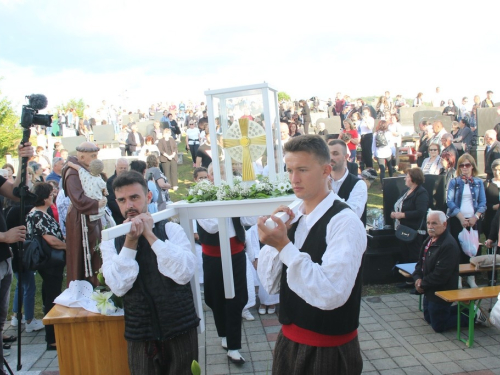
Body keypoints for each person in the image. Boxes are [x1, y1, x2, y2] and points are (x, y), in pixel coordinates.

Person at [257, 135, 366, 375]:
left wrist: (284, 246)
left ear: (327, 170)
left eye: (303, 170)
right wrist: (278, 240)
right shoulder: (294, 215)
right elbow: (271, 284)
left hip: (328, 351)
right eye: (290, 170)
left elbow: (331, 292)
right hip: (289, 341)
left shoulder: (344, 222)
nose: (294, 179)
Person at [100, 171, 199, 374]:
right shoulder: (111, 240)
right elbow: (118, 286)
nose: (129, 206)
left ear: (148, 197)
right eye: (122, 200)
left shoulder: (170, 229)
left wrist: (150, 236)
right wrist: (130, 241)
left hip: (179, 325)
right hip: (140, 330)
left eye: (134, 197)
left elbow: (184, 272)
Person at [196, 182, 257, 364]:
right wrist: (228, 204)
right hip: (213, 257)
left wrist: (241, 201)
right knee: (215, 298)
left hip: (236, 255)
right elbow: (212, 225)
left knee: (236, 299)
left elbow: (250, 221)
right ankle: (224, 334)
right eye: (213, 175)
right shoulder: (201, 199)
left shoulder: (233, 198)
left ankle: (234, 347)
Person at [412, 210, 489, 332]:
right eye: (428, 223)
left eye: (434, 223)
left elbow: (440, 275)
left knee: (438, 326)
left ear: (444, 224)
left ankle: (473, 316)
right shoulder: (429, 240)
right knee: (429, 318)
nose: (430, 227)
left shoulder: (449, 245)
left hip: (442, 290)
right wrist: (417, 279)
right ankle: (467, 310)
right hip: (429, 289)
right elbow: (419, 264)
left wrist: (422, 284)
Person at [26, 182, 66, 350]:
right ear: (43, 197)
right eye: (50, 194)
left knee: (49, 295)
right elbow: (50, 239)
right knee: (52, 297)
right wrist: (68, 246)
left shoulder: (41, 213)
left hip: (49, 261)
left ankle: (53, 335)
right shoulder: (38, 215)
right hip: (49, 261)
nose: (53, 196)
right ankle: (52, 338)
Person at [62, 142, 107, 286]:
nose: (95, 159)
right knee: (82, 254)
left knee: (95, 251)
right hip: (80, 219)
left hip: (92, 218)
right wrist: (95, 204)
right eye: (92, 156)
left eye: (96, 156)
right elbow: (78, 199)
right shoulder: (73, 173)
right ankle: (83, 284)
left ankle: (96, 282)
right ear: (81, 156)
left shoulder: (87, 170)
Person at [447, 154, 486, 289]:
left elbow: (482, 202)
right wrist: (461, 217)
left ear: (472, 166)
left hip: (474, 219)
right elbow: (450, 201)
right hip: (459, 219)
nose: (464, 168)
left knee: (473, 249)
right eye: (462, 165)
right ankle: (458, 278)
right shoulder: (454, 182)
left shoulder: (478, 182)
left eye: (467, 165)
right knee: (458, 248)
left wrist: (476, 217)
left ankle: (471, 277)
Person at [390, 168, 429, 273]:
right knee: (405, 254)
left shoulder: (421, 193)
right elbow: (397, 204)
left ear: (413, 179)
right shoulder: (405, 191)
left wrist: (402, 215)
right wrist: (393, 212)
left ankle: (414, 279)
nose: (405, 179)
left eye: (407, 177)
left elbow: (421, 212)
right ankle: (406, 277)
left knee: (413, 255)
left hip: (413, 229)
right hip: (401, 228)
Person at [328, 139, 367, 224]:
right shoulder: (321, 181)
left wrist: (331, 194)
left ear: (346, 157)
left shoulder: (358, 184)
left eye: (335, 154)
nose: (331, 158)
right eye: (328, 154)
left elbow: (352, 215)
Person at [106, 158, 129, 225]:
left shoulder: (131, 179)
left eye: (125, 168)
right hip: (118, 217)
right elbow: (111, 200)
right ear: (116, 167)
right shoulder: (110, 182)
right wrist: (125, 212)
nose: (123, 170)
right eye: (121, 168)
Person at [372, 120, 394, 186]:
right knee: (390, 166)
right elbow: (391, 144)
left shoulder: (375, 134)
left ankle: (383, 184)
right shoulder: (389, 133)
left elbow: (373, 145)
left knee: (382, 169)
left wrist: (373, 153)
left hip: (379, 153)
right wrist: (393, 152)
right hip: (388, 152)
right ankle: (391, 178)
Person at [483, 159, 500, 241]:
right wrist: (493, 207)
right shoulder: (487, 184)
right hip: (490, 218)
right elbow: (482, 202)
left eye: (499, 170)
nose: (497, 172)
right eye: (495, 169)